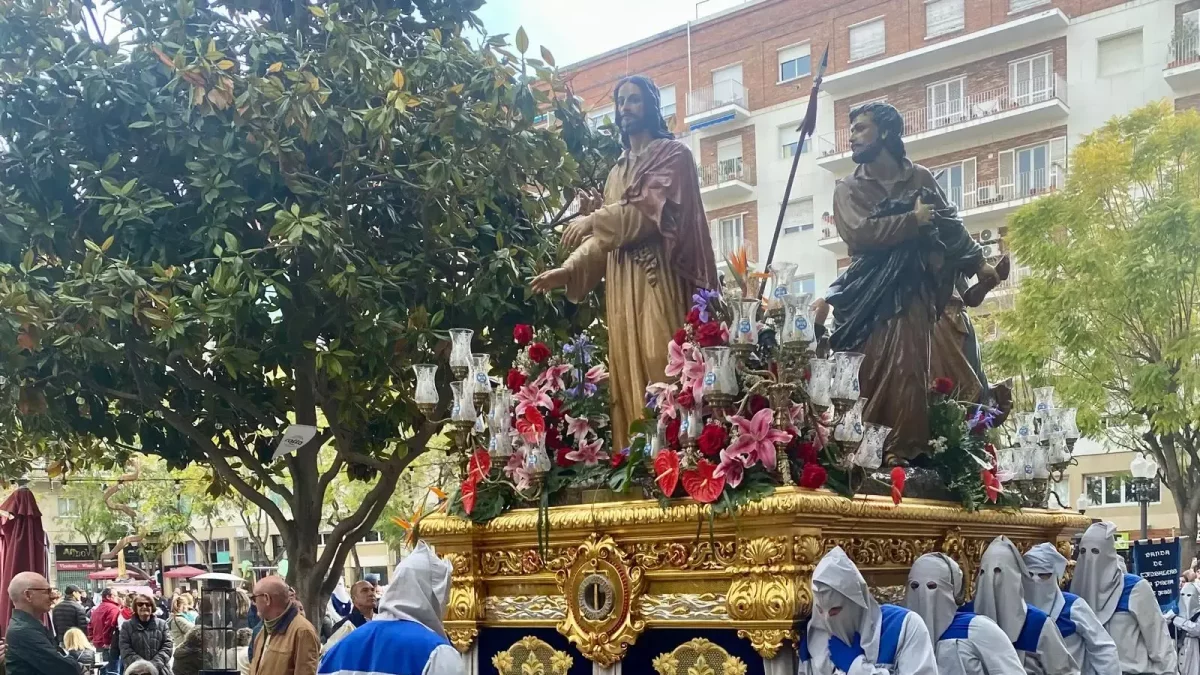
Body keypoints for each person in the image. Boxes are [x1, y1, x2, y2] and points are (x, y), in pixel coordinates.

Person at [529, 74, 719, 448]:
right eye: (620, 102)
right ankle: (631, 458)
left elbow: (647, 212)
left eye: (633, 100)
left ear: (651, 107)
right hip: (621, 287)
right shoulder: (616, 172)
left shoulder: (674, 155)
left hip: (658, 280)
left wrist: (592, 219)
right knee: (626, 378)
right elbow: (607, 240)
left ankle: (678, 454)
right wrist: (570, 269)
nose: (624, 108)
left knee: (659, 360)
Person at [826, 101, 999, 460]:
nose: (853, 137)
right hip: (865, 292)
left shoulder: (918, 177)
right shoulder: (848, 189)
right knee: (865, 370)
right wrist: (912, 222)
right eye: (852, 129)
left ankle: (904, 450)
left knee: (908, 366)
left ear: (886, 133)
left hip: (911, 289)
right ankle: (861, 449)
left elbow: (949, 223)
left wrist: (978, 263)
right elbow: (859, 233)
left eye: (861, 128)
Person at [319, 542, 462, 675]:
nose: (448, 601)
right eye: (447, 593)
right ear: (434, 594)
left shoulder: (340, 648)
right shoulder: (437, 653)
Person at [805, 546, 937, 675]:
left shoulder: (904, 626)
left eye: (835, 611)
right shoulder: (815, 641)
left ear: (856, 604)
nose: (827, 620)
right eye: (820, 611)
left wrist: (856, 667)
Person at [1070, 521, 1176, 675]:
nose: (1090, 559)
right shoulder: (1074, 593)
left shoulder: (1135, 589)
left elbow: (1159, 641)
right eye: (1083, 552)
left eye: (1095, 551)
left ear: (1109, 552)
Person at [962, 536, 1078, 675]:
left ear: (1016, 577)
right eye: (985, 572)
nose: (992, 581)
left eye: (999, 572)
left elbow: (1064, 671)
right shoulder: (963, 618)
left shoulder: (1038, 623)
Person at [905, 552, 1024, 674]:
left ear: (953, 590)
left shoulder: (978, 629)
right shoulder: (902, 632)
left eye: (932, 586)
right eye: (915, 586)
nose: (923, 596)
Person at [1023, 543, 1121, 675]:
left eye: (1043, 575)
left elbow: (1103, 648)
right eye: (1029, 574)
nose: (1035, 580)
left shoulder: (1073, 606)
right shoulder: (1016, 612)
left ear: (1054, 576)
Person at [4, 571, 84, 675]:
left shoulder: (28, 625)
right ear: (28, 595)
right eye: (47, 591)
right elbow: (64, 668)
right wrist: (79, 666)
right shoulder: (23, 630)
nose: (53, 596)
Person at [247, 576, 319, 675]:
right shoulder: (263, 631)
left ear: (267, 598)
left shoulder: (302, 631)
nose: (254, 603)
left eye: (254, 598)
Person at [117, 594, 172, 675]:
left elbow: (168, 647)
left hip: (161, 671)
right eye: (140, 604)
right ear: (135, 607)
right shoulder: (127, 626)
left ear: (152, 606)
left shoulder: (162, 624)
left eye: (148, 604)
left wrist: (153, 666)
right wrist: (143, 668)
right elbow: (125, 649)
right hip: (135, 672)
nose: (144, 606)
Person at [324, 581, 376, 649]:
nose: (371, 593)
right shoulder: (344, 627)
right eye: (365, 590)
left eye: (372, 590)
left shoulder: (384, 619)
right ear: (354, 598)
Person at [89, 588, 123, 675]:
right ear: (108, 597)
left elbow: (90, 625)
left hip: (98, 643)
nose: (117, 598)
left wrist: (92, 638)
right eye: (115, 596)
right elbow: (110, 626)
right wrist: (107, 642)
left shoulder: (97, 608)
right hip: (109, 645)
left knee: (102, 668)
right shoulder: (113, 609)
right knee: (112, 670)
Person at [1173, 582, 1200, 675]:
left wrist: (1179, 621)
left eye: (1189, 595)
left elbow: (1197, 629)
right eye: (1183, 595)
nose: (1185, 598)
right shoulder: (1177, 611)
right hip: (1179, 646)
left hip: (1195, 647)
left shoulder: (1198, 614)